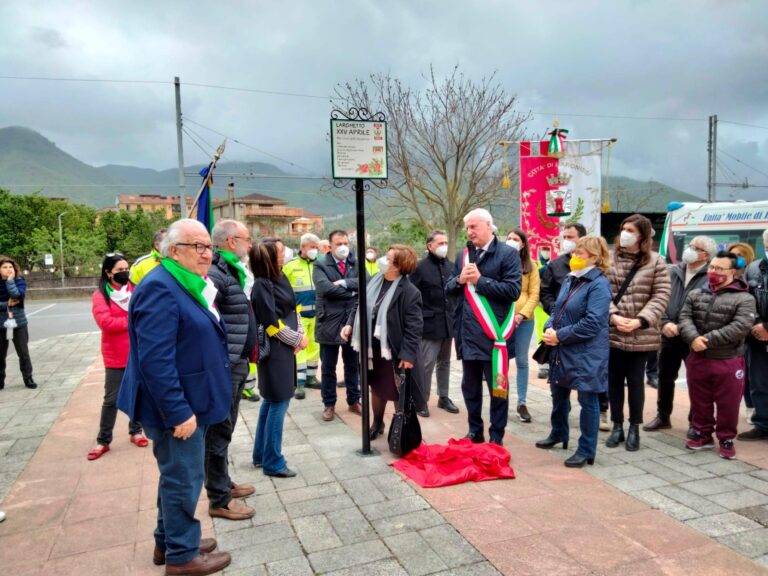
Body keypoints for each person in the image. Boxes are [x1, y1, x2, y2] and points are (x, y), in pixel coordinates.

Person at [117, 219, 232, 575]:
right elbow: (155, 360)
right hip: (176, 407)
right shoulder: (161, 288)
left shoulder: (183, 282)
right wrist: (178, 411)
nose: (205, 253)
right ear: (173, 251)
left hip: (191, 397)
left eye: (208, 246)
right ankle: (182, 557)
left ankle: (168, 540)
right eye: (196, 246)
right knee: (183, 479)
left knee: (177, 476)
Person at [446, 208, 521, 445]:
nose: (469, 232)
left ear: (489, 226)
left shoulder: (508, 254)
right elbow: (448, 288)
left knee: (498, 390)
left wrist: (481, 281)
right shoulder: (463, 255)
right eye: (467, 228)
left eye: (473, 227)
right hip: (467, 336)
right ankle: (474, 430)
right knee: (470, 389)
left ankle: (496, 436)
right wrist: (459, 280)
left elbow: (512, 291)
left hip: (494, 338)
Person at [536, 235, 612, 467]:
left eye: (581, 253)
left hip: (586, 352)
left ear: (595, 258)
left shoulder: (599, 284)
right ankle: (558, 432)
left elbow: (592, 322)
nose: (575, 256)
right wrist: (549, 329)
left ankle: (586, 449)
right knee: (558, 394)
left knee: (588, 400)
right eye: (575, 251)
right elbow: (557, 310)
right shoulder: (571, 279)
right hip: (562, 349)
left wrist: (560, 335)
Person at [343, 245, 426, 439]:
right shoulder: (374, 281)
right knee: (377, 387)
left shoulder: (409, 292)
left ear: (397, 266)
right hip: (371, 348)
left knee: (398, 391)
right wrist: (349, 324)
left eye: (387, 259)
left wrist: (407, 354)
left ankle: (400, 429)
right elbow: (359, 305)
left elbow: (414, 327)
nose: (382, 260)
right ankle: (377, 423)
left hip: (393, 351)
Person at [204, 220, 257, 521]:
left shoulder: (233, 270)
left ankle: (222, 482)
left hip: (237, 360)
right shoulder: (216, 271)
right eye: (246, 239)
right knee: (219, 429)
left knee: (227, 426)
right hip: (226, 361)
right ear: (231, 240)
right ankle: (219, 499)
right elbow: (211, 318)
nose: (250, 245)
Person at [679, 251, 755, 459]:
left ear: (732, 272)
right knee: (699, 400)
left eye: (719, 269)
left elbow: (740, 326)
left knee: (728, 403)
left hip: (728, 359)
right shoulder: (697, 293)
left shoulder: (745, 298)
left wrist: (707, 339)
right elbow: (684, 317)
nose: (713, 272)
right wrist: (693, 338)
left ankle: (726, 438)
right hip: (698, 357)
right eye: (711, 267)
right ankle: (702, 434)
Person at [606, 214, 671, 452]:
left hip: (641, 333)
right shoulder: (609, 259)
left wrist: (640, 321)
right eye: (624, 229)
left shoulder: (656, 261)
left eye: (631, 230)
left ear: (642, 235)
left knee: (635, 381)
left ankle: (634, 427)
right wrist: (613, 316)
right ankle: (617, 425)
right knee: (613, 380)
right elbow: (602, 292)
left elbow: (661, 294)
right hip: (613, 329)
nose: (625, 233)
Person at [644, 236, 715, 432]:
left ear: (705, 255)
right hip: (669, 336)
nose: (690, 250)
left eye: (695, 248)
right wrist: (664, 323)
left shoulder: (710, 276)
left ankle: (696, 422)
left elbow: (708, 310)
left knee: (697, 382)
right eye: (690, 246)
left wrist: (686, 330)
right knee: (665, 377)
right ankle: (663, 416)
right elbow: (659, 298)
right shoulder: (673, 271)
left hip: (694, 338)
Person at [250, 238, 307, 478]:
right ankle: (273, 461)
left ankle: (261, 455)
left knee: (272, 400)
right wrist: (296, 340)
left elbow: (293, 311)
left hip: (285, 347)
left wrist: (300, 332)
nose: (285, 254)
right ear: (269, 258)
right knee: (279, 400)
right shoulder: (262, 286)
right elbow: (271, 324)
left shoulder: (280, 277)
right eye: (281, 252)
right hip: (275, 351)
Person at [87, 253, 147, 461]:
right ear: (108, 272)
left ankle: (136, 431)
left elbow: (146, 315)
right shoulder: (101, 296)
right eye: (119, 270)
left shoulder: (135, 290)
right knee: (111, 399)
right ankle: (103, 440)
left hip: (138, 352)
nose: (125, 273)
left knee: (138, 394)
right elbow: (106, 323)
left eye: (126, 269)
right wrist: (131, 322)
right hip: (115, 355)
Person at [314, 230, 363, 421]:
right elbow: (325, 288)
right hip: (329, 322)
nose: (343, 247)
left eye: (345, 243)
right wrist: (352, 292)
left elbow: (365, 282)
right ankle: (329, 404)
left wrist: (343, 282)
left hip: (352, 320)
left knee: (353, 365)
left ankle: (354, 400)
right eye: (338, 244)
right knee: (328, 367)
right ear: (330, 246)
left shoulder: (355, 262)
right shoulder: (320, 264)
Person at [409, 230, 459, 416]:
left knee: (444, 362)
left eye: (446, 242)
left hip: (448, 323)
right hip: (429, 324)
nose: (444, 246)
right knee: (426, 364)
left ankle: (443, 397)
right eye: (440, 243)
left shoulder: (452, 266)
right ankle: (422, 400)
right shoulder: (419, 268)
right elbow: (412, 296)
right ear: (430, 246)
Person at [506, 229, 540, 423]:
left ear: (523, 244)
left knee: (522, 361)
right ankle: (500, 398)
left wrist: (521, 315)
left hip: (524, 321)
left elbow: (534, 294)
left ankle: (521, 402)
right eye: (509, 239)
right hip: (501, 321)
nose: (511, 241)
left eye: (515, 239)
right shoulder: (499, 262)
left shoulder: (531, 265)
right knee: (500, 360)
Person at [283, 233, 321, 398]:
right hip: (299, 315)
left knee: (314, 345)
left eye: (316, 247)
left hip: (318, 314)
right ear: (303, 247)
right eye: (312, 247)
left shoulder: (320, 265)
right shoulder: (290, 266)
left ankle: (311, 377)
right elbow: (284, 290)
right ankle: (300, 382)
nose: (314, 250)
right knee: (300, 347)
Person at [740, 229, 768, 441]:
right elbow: (746, 300)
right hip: (757, 337)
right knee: (758, 382)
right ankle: (763, 425)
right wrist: (758, 324)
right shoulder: (753, 268)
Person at [0, 256, 37, 390]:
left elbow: (17, 295)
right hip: (1, 324)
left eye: (10, 267)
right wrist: (6, 304)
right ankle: (0, 380)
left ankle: (28, 378)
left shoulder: (19, 281)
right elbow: (10, 302)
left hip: (19, 322)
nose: (8, 269)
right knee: (0, 354)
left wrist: (10, 281)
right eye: (4, 267)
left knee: (23, 352)